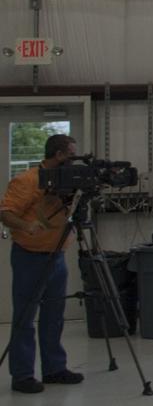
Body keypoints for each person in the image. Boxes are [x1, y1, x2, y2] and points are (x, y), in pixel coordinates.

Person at [1, 134, 85, 394]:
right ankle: (23, 374)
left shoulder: (67, 183)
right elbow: (5, 212)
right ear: (59, 155)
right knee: (25, 317)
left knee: (54, 316)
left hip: (56, 256)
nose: (74, 160)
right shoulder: (27, 181)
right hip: (30, 255)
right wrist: (27, 226)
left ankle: (54, 368)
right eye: (71, 155)